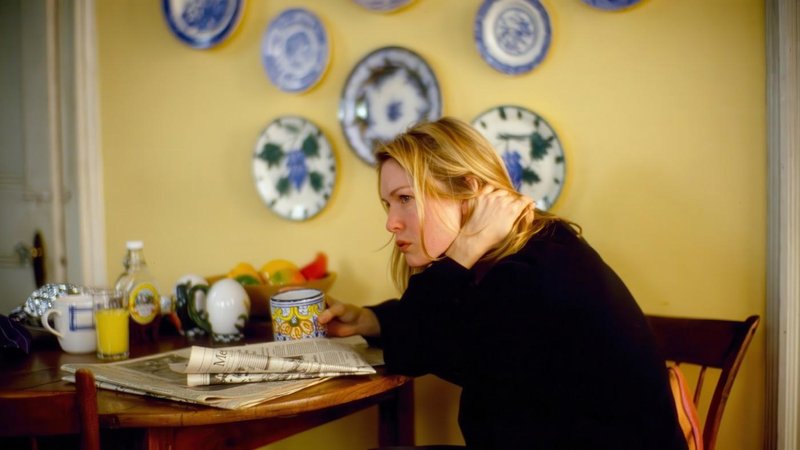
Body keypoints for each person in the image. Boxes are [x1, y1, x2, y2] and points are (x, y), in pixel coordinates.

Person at [318, 117, 687, 450]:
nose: (391, 223)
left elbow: (411, 349)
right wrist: (369, 319)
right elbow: (441, 331)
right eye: (388, 204)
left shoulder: (529, 271)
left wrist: (465, 248)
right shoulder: (526, 251)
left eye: (405, 199)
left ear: (467, 191)